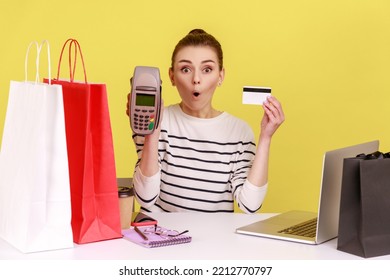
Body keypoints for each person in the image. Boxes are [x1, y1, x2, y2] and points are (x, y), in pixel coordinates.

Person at [127, 29, 284, 213]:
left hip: (214, 240)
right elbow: (145, 198)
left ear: (220, 76)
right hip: (163, 238)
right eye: (185, 69)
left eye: (207, 69)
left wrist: (266, 137)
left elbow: (250, 205)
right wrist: (152, 133)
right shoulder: (156, 121)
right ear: (171, 77)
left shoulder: (239, 132)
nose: (196, 80)